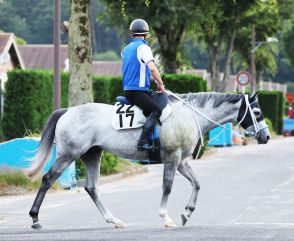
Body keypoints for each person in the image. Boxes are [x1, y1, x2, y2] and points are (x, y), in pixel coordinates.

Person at [121, 19, 165, 151]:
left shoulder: (126, 49)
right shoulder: (144, 48)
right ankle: (143, 141)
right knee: (157, 109)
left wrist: (152, 80)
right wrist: (160, 83)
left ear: (132, 34)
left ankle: (153, 139)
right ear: (146, 34)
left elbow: (135, 71)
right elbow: (152, 68)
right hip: (137, 91)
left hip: (129, 90)